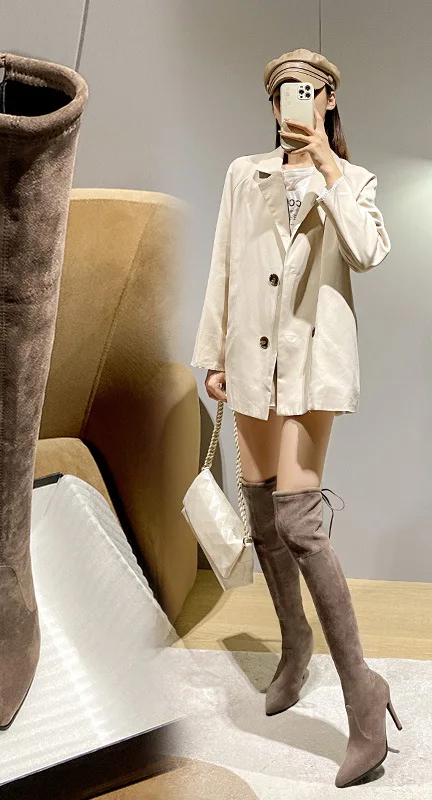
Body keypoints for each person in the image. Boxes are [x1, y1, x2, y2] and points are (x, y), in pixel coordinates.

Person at [190, 48, 398, 788]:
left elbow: (368, 252)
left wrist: (331, 168)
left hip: (310, 367)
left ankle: (363, 697)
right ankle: (294, 643)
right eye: (283, 90)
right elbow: (223, 262)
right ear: (272, 103)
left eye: (307, 89)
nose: (294, 99)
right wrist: (214, 352)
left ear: (329, 99)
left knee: (299, 520)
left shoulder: (355, 181)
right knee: (260, 510)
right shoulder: (243, 174)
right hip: (250, 361)